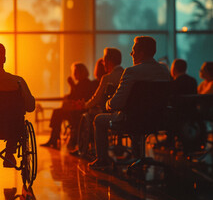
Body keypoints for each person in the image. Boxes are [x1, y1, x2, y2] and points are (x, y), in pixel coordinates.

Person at [89, 36, 172, 168]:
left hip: (133, 120)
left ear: (141, 53)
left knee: (98, 119)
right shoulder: (164, 71)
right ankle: (138, 156)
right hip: (158, 120)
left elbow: (117, 103)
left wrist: (108, 103)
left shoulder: (132, 72)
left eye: (133, 50)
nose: (131, 53)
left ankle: (102, 161)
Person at [41, 62, 95, 149]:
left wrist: (72, 85)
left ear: (81, 72)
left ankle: (54, 138)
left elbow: (77, 96)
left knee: (57, 112)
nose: (74, 74)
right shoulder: (82, 83)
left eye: (75, 72)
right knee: (57, 112)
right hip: (76, 110)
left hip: (79, 111)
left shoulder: (86, 83)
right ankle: (54, 137)